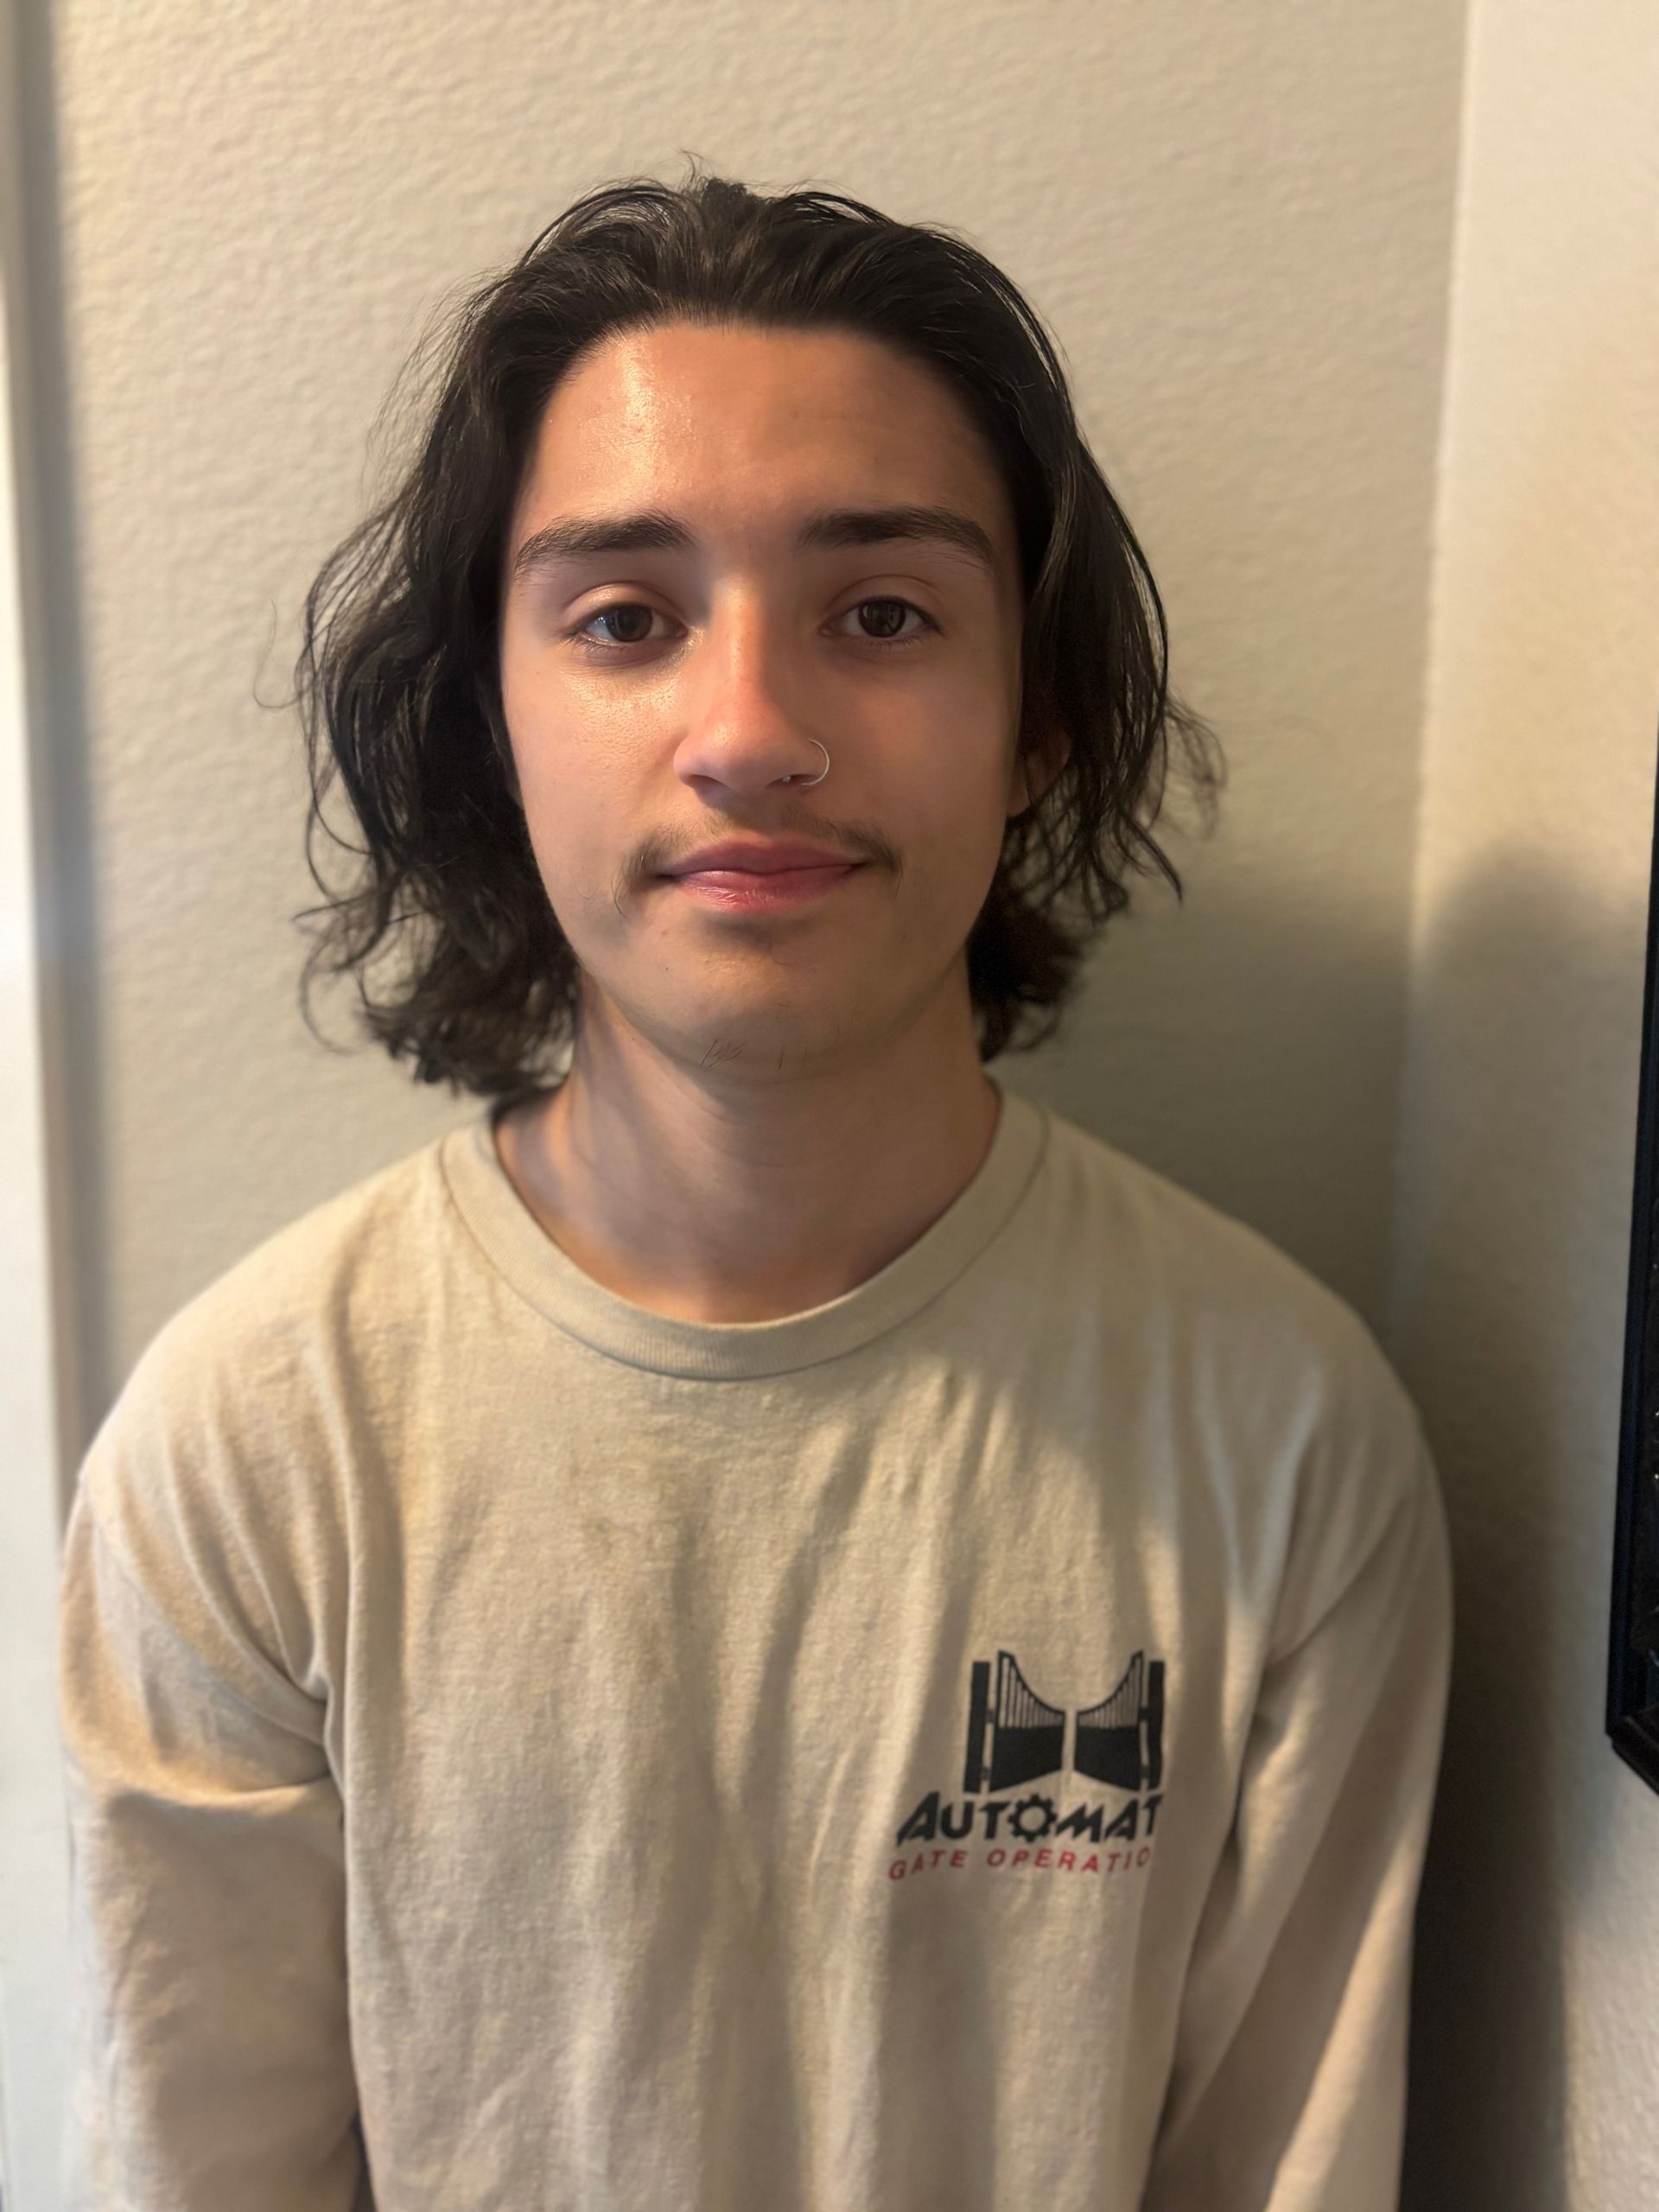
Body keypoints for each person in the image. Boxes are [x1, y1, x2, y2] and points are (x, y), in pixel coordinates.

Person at [56, 165, 1452, 2211]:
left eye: (881, 613)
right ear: (492, 713)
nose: (753, 730)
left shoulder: (1285, 1436)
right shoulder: (250, 1452)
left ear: (1034, 718)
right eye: (626, 618)